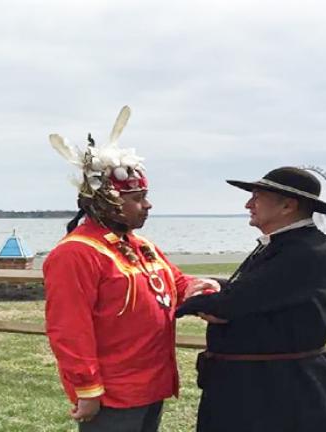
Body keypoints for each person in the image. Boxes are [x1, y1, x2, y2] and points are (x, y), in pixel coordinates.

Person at [43, 106, 218, 432]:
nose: (148, 205)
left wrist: (199, 287)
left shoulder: (141, 245)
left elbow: (174, 283)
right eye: (138, 197)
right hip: (114, 393)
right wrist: (87, 389)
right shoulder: (75, 254)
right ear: (108, 202)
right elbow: (69, 329)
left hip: (152, 384)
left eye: (145, 196)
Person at [176, 166, 326, 432]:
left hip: (278, 389)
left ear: (287, 206)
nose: (248, 204)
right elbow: (262, 289)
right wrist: (219, 285)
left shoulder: (303, 250)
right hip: (264, 382)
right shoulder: (290, 243)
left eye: (257, 197)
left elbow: (231, 306)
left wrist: (180, 306)